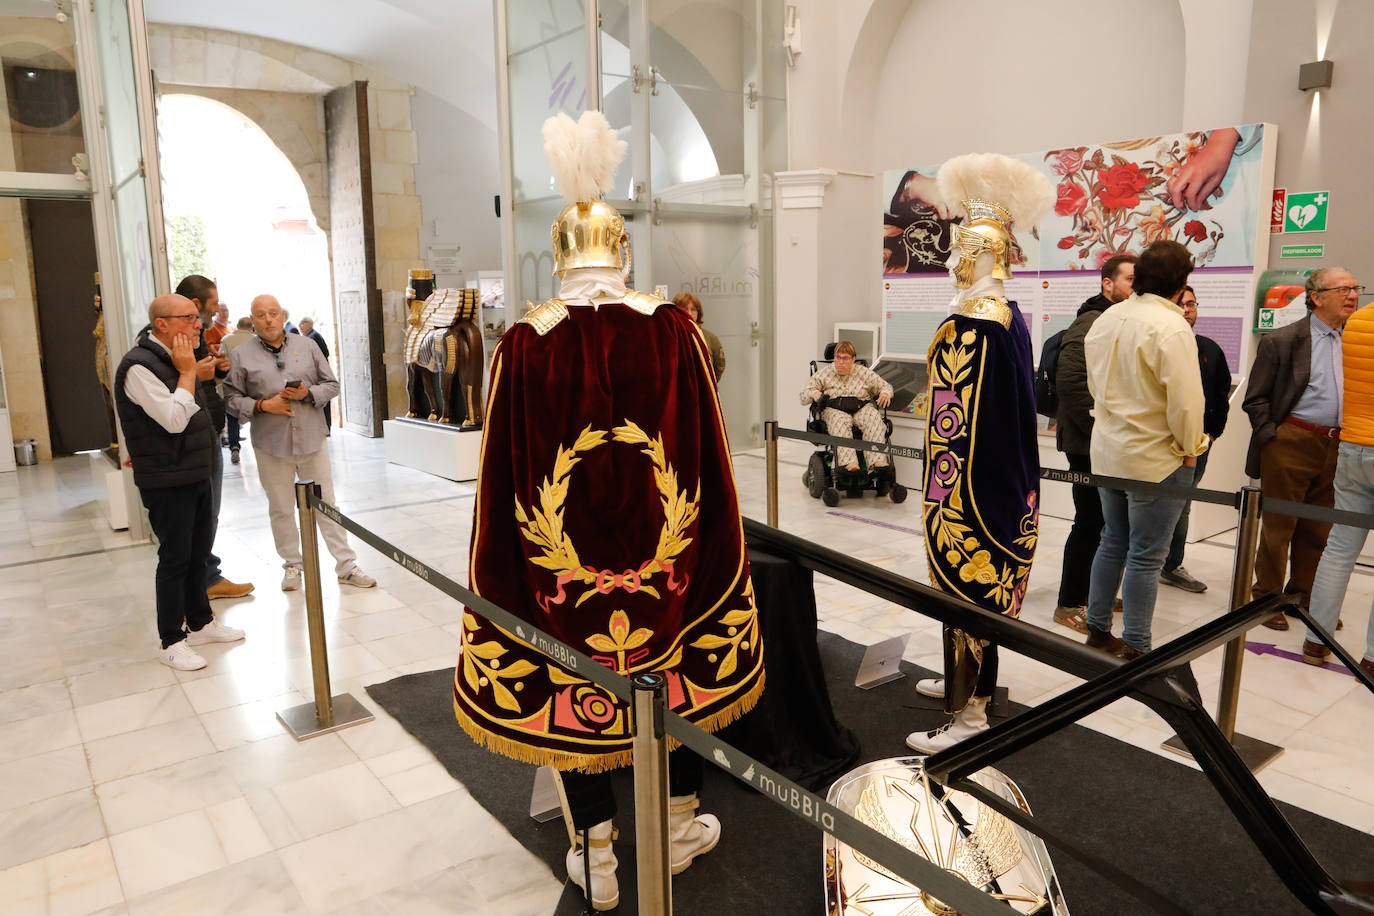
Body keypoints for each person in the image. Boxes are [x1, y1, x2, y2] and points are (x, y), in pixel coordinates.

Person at [454, 111, 761, 911]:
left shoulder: (523, 342)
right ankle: (681, 825)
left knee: (566, 680)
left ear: (558, 252)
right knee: (680, 682)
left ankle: (595, 849)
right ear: (621, 249)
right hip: (674, 559)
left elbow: (500, 482)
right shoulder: (673, 331)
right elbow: (712, 461)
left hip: (559, 577)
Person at [907, 152, 1052, 753]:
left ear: (978, 252)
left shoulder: (977, 323)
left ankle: (968, 717)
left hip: (973, 488)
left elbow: (968, 420)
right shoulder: (1003, 314)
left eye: (957, 247)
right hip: (994, 478)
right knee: (965, 598)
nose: (949, 258)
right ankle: (962, 686)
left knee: (967, 592)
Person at [1081, 239, 1208, 659]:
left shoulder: (1108, 317)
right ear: (1181, 282)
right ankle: (1137, 645)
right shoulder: (1171, 327)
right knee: (1146, 557)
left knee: (1111, 541)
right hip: (1156, 458)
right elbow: (1187, 402)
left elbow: (1095, 386)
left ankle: (1097, 630)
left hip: (1108, 451)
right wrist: (1191, 448)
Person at [113, 294, 245, 671]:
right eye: (188, 318)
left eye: (195, 317)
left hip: (194, 468)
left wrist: (198, 374)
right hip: (167, 477)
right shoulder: (138, 366)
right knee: (175, 558)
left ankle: (200, 623)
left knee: (198, 552)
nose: (197, 325)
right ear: (162, 325)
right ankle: (171, 639)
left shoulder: (175, 357)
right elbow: (173, 419)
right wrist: (189, 374)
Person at [223, 295, 376, 591]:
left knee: (327, 503)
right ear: (251, 321)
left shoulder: (307, 346)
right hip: (271, 444)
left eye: (273, 313)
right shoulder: (241, 355)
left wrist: (307, 393)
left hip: (311, 439)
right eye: (260, 315)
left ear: (283, 315)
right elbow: (230, 400)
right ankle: (292, 565)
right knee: (281, 507)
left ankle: (346, 565)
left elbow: (331, 385)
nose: (268, 319)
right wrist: (262, 406)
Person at [1242, 268, 1359, 629]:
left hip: (1336, 444)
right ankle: (1267, 598)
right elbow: (1255, 398)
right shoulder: (1283, 340)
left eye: (1356, 288)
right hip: (1291, 440)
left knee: (1318, 529)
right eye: (1344, 289)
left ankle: (1303, 597)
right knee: (1279, 526)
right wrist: (1272, 436)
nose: (1353, 295)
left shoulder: (1354, 339)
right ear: (1317, 297)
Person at [1051, 253, 1137, 633]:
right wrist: (1103, 427)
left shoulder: (1120, 319)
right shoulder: (1090, 321)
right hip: (1088, 444)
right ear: (1107, 283)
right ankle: (1069, 603)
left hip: (1107, 442)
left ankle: (1095, 592)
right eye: (1130, 280)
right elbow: (1071, 383)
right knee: (1089, 522)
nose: (1137, 287)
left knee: (1110, 524)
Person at [1303, 277, 1374, 675]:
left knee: (1339, 549)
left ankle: (1316, 641)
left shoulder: (1359, 322)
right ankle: (1373, 658)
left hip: (1352, 447)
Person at [173, 274, 254, 601]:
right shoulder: (171, 343)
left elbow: (202, 380)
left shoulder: (197, 335)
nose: (215, 310)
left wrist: (216, 370)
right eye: (211, 305)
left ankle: (207, 573)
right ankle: (203, 579)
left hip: (204, 432)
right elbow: (176, 386)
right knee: (201, 515)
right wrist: (196, 373)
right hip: (191, 437)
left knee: (207, 513)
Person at [1159, 286, 1232, 592]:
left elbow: (1220, 393)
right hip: (1160, 444)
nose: (1188, 310)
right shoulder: (1160, 345)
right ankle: (1144, 562)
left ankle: (1172, 564)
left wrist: (1213, 432)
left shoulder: (1210, 349)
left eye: (1192, 304)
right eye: (1181, 304)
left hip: (1198, 444)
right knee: (1150, 506)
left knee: (1183, 506)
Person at [799, 341, 894, 478]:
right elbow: (804, 395)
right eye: (838, 357)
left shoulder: (863, 372)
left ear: (853, 359)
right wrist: (814, 394)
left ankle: (877, 463)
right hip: (834, 409)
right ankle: (848, 464)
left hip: (861, 407)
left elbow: (885, 386)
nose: (840, 362)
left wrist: (885, 393)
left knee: (873, 419)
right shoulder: (824, 373)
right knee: (839, 422)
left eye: (845, 358)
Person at [219, 317, 255, 464]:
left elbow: (222, 360)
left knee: (232, 415)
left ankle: (234, 446)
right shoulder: (256, 340)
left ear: (237, 326)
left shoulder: (226, 339)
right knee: (257, 412)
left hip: (232, 381)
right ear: (251, 327)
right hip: (253, 382)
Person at [672, 292, 725, 381]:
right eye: (685, 309)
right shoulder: (670, 336)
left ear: (698, 312)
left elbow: (719, 366)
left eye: (693, 309)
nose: (689, 313)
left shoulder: (711, 338)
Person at [297, 316, 332, 432]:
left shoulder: (313, 337)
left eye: (302, 324)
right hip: (315, 373)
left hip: (319, 374)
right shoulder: (309, 336)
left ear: (309, 324)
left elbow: (322, 355)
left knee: (322, 399)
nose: (300, 327)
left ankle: (325, 427)